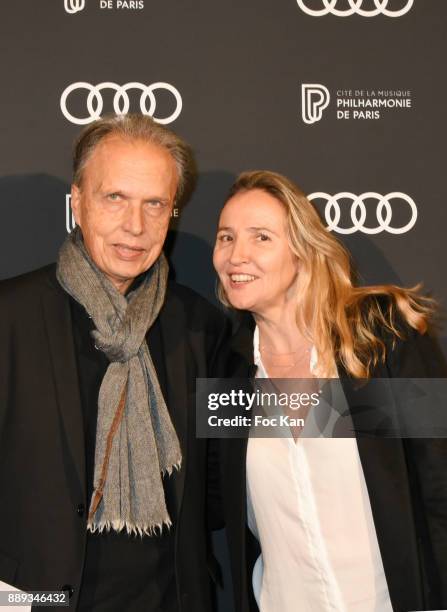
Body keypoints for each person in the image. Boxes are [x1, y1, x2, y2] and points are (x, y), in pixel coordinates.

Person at [0, 113, 230, 612]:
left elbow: (221, 483)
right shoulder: (9, 318)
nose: (135, 226)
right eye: (115, 198)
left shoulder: (199, 326)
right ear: (78, 201)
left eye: (155, 204)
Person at [212, 170, 447, 612]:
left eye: (261, 237)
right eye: (226, 238)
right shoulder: (227, 372)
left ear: (302, 251)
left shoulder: (380, 335)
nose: (236, 255)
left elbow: (440, 482)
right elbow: (223, 513)